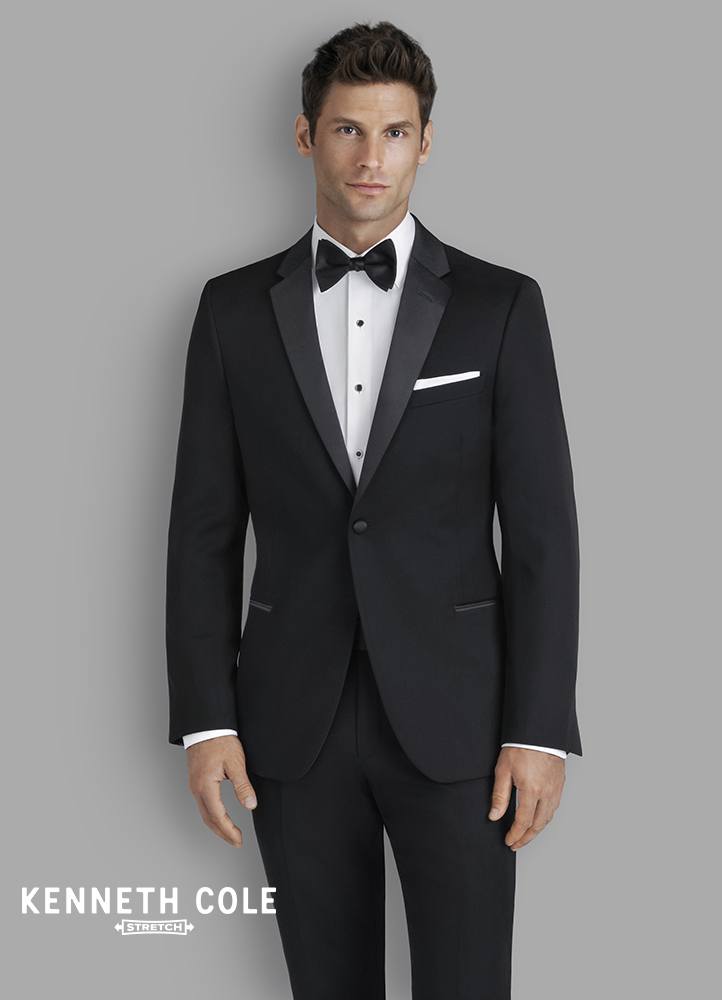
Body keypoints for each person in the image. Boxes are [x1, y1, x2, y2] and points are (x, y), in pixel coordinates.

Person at [166, 19, 582, 1000]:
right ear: (304, 136)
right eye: (348, 130)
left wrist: (537, 728)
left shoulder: (500, 306)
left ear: (425, 142)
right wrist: (205, 719)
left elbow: (541, 534)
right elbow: (202, 529)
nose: (370, 158)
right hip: (289, 723)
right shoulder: (230, 312)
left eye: (394, 133)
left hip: (460, 723)